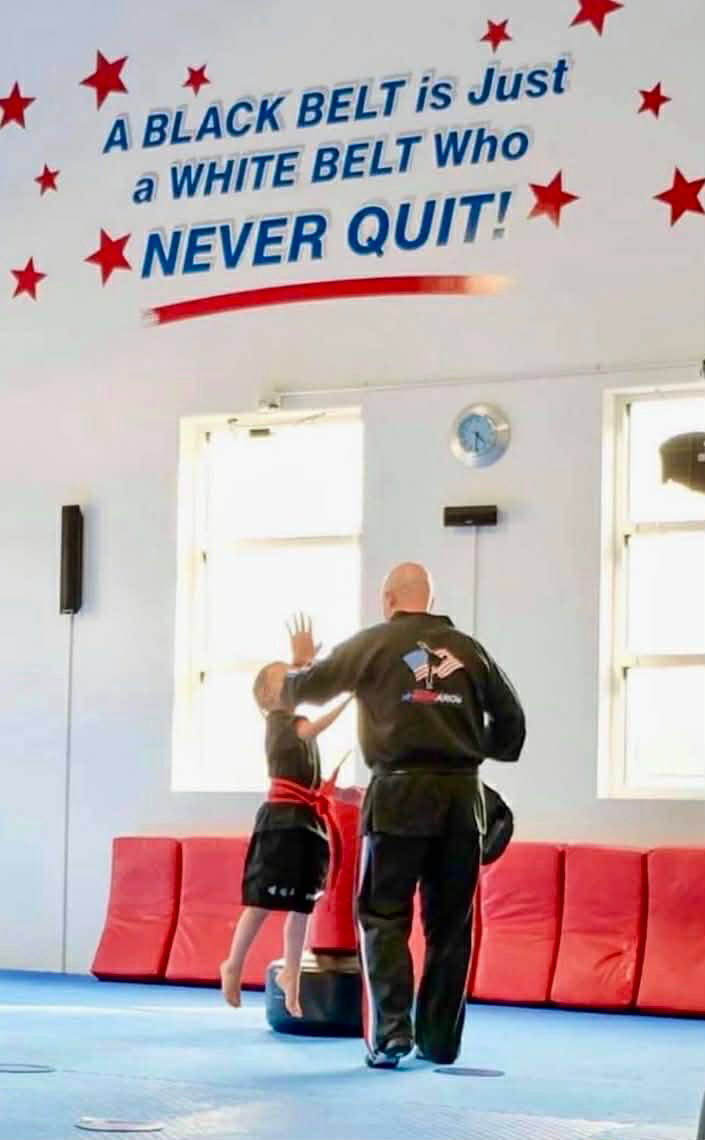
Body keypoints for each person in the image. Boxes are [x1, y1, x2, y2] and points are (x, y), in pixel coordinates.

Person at [277, 564, 525, 1068]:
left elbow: (301, 691)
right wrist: (465, 746)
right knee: (451, 926)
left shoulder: (373, 644)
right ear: (429, 600)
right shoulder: (470, 651)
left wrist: (298, 664)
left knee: (384, 916)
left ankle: (391, 1035)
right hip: (462, 798)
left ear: (389, 599)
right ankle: (438, 1041)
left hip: (397, 796)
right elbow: (513, 730)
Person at [220, 659, 350, 1018]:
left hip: (308, 821)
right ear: (268, 695)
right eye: (285, 680)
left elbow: (315, 779)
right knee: (263, 898)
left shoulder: (298, 726)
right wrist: (350, 696)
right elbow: (313, 728)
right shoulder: (280, 722)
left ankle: (291, 973)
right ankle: (233, 963)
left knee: (302, 904)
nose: (294, 683)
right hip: (281, 821)